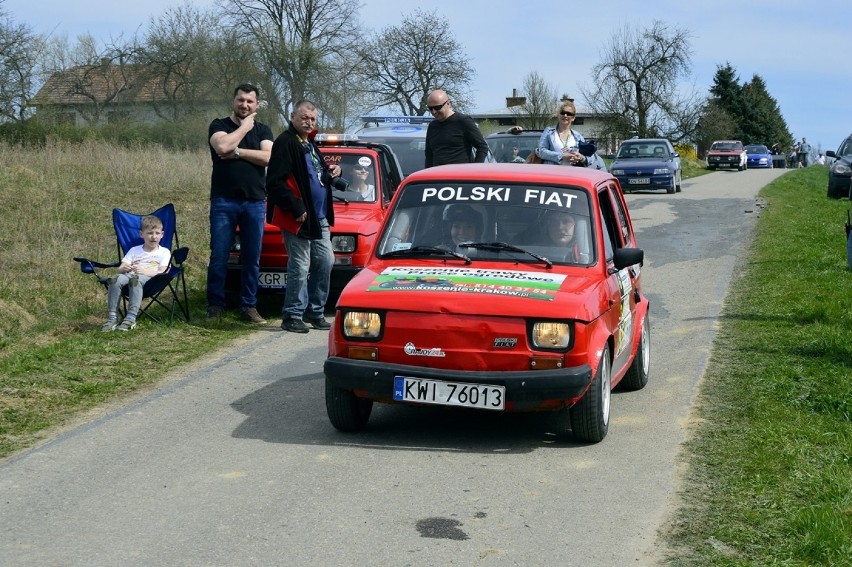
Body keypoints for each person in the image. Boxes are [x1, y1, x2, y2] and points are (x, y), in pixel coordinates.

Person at [266, 99, 344, 333]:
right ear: (292, 117)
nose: (309, 122)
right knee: (300, 266)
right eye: (304, 118)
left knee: (326, 261)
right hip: (297, 217)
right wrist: (296, 207)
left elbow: (316, 175)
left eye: (312, 118)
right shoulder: (285, 142)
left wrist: (333, 172)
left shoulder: (309, 143)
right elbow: (275, 182)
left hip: (318, 216)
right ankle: (292, 315)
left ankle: (315, 311)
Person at [207, 84, 273, 324]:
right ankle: (215, 306)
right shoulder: (219, 125)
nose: (244, 105)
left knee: (252, 258)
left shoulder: (264, 130)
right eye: (241, 100)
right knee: (219, 255)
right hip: (223, 201)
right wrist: (245, 127)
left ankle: (249, 307)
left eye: (250, 101)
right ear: (233, 101)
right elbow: (222, 146)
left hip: (254, 203)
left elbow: (269, 158)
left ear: (256, 105)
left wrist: (238, 153)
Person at [101, 215, 171, 332]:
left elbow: (164, 271)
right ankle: (112, 318)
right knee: (114, 279)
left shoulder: (164, 252)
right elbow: (120, 268)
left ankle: (130, 318)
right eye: (149, 233)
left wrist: (146, 271)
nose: (154, 237)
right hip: (129, 275)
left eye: (157, 233)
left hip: (150, 280)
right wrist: (124, 268)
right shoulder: (134, 250)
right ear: (141, 234)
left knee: (135, 280)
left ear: (162, 234)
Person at [424, 89, 489, 168]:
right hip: (438, 177)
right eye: (430, 108)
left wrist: (475, 170)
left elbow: (482, 146)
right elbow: (429, 154)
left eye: (437, 107)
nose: (434, 112)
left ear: (448, 104)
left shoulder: (463, 121)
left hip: (460, 177)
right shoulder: (432, 126)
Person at [535, 99, 591, 167]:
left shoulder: (578, 136)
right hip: (553, 174)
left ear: (573, 118)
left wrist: (581, 157)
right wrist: (562, 156)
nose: (565, 115)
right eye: (563, 112)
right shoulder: (549, 132)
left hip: (573, 174)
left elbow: (590, 156)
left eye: (569, 114)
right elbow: (542, 152)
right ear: (559, 115)